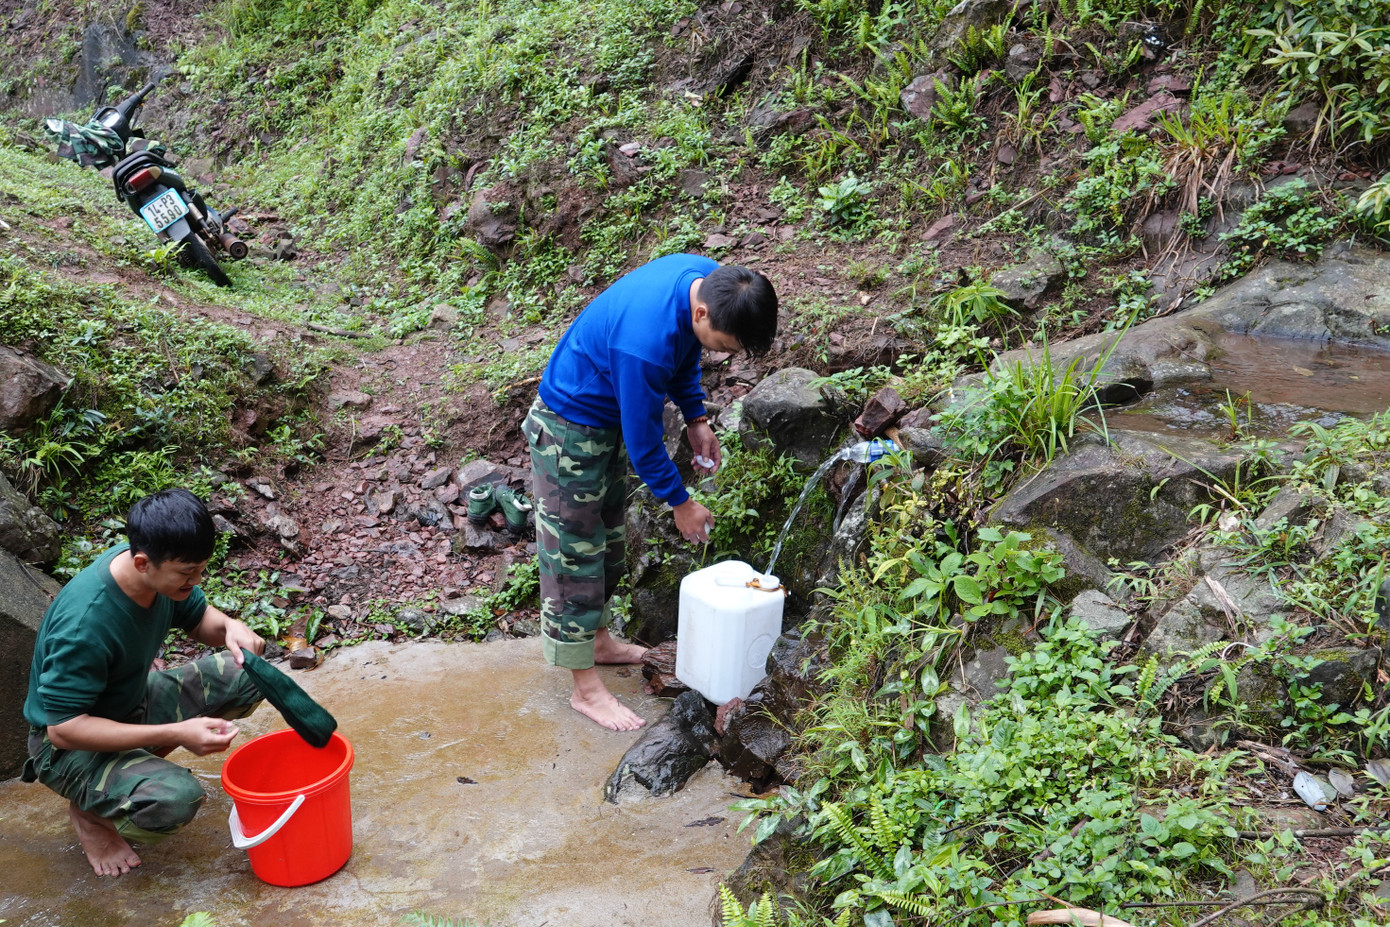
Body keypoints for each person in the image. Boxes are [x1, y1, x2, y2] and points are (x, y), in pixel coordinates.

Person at [524, 253, 778, 730]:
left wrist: (697, 419)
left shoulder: (705, 281)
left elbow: (684, 354)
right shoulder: (644, 342)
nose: (723, 354)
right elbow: (645, 443)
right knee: (572, 559)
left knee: (610, 547)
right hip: (567, 428)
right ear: (703, 312)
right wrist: (681, 503)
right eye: (725, 345)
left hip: (603, 421)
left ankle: (597, 642)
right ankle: (585, 689)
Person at [22, 488, 266, 876]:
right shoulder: (84, 626)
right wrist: (180, 731)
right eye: (188, 574)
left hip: (130, 703)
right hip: (68, 748)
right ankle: (91, 815)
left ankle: (125, 777)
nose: (197, 580)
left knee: (248, 673)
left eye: (201, 569)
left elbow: (200, 618)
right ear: (141, 563)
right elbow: (63, 730)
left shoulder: (158, 567)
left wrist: (232, 628)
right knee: (175, 801)